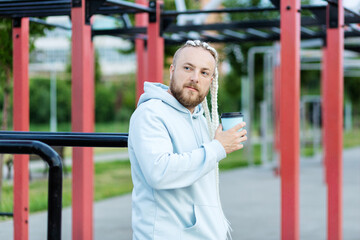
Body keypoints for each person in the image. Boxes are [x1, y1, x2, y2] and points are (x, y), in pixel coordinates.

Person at [128, 40, 247, 240]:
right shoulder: (150, 113)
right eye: (188, 68)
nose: (194, 78)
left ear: (211, 80)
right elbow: (159, 172)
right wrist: (218, 148)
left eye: (204, 73)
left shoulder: (200, 118)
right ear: (172, 70)